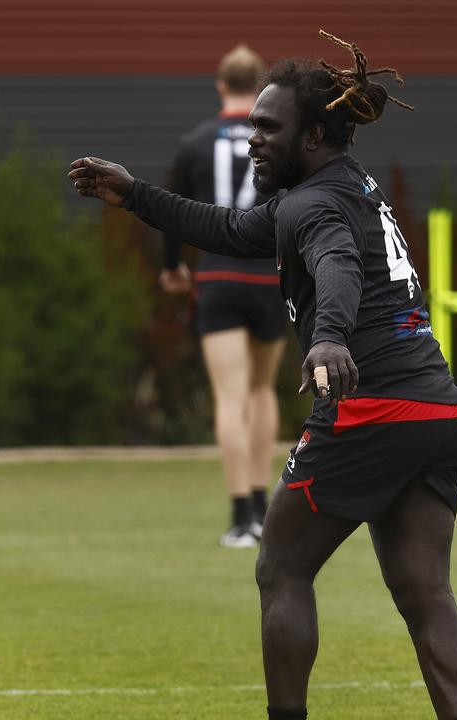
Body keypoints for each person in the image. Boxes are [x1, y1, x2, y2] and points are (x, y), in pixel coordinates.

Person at [70, 31, 457, 720]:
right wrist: (137, 196)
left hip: (370, 407)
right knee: (425, 592)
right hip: (439, 412)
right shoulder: (345, 187)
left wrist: (328, 340)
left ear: (314, 135)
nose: (253, 139)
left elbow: (338, 266)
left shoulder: (312, 205)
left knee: (280, 567)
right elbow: (231, 230)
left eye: (267, 128)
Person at [160, 44, 287, 548]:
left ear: (220, 86)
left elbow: (170, 208)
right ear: (261, 88)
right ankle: (263, 507)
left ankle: (240, 519)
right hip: (270, 278)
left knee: (230, 398)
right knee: (262, 392)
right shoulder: (279, 140)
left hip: (218, 278)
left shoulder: (195, 142)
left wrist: (171, 268)